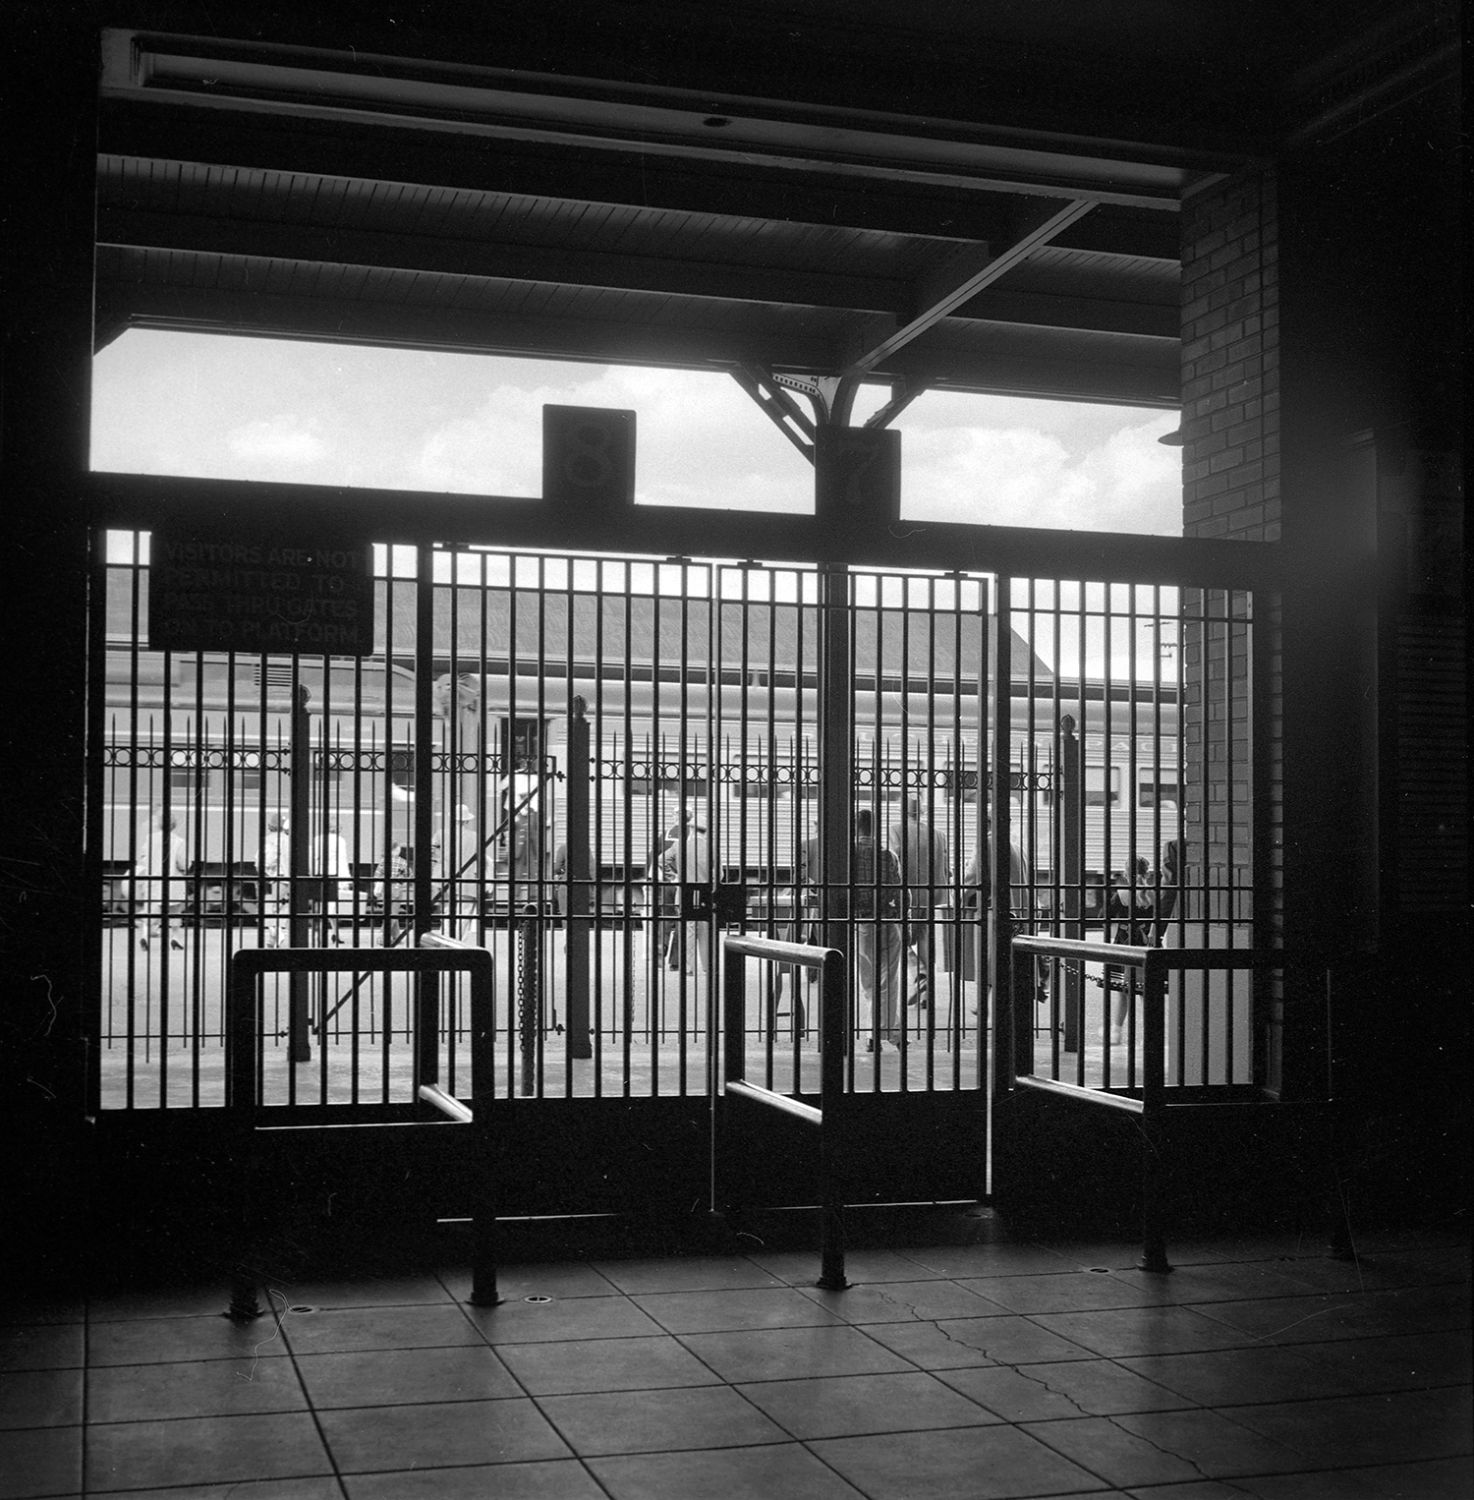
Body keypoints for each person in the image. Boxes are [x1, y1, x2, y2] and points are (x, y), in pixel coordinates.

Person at [964, 815, 1031, 1011]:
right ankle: (994, 1004)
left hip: (994, 910)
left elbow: (972, 878)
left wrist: (958, 897)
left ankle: (984, 1003)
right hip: (1018, 911)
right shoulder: (1018, 848)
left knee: (987, 958)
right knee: (1007, 960)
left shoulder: (985, 844)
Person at [889, 796, 950, 1009]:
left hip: (904, 897)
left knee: (898, 939)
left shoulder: (895, 831)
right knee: (925, 939)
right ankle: (927, 992)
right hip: (930, 896)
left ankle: (919, 973)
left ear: (902, 811)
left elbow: (891, 863)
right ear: (922, 811)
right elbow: (945, 870)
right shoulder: (939, 835)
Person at [852, 807, 903, 1049]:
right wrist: (903, 918)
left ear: (855, 827)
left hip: (862, 923)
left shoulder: (847, 855)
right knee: (889, 980)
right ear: (876, 828)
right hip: (888, 920)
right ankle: (888, 1034)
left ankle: (881, 1036)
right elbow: (899, 891)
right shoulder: (888, 855)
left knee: (869, 982)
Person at [133, 808, 189, 951]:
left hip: (153, 880)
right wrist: (185, 868)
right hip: (173, 882)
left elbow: (143, 858)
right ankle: (175, 937)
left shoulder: (150, 839)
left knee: (151, 909)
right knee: (175, 910)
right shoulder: (179, 841)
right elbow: (183, 863)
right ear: (173, 824)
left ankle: (145, 935)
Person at [260, 811, 290, 947]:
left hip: (279, 876)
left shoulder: (270, 839)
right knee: (283, 906)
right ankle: (272, 940)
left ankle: (277, 934)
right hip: (290, 876)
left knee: (275, 908)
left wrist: (265, 870)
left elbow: (268, 859)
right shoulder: (288, 838)